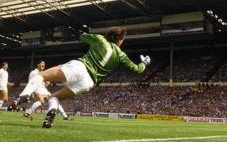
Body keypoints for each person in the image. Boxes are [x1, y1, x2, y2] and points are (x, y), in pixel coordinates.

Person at [11, 26, 150, 128]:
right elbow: (137, 69)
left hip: (79, 67)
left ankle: (24, 95)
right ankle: (50, 116)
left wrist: (75, 31)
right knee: (54, 97)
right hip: (88, 82)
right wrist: (144, 63)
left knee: (41, 75)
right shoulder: (121, 55)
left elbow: (81, 36)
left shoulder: (100, 39)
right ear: (119, 39)